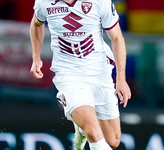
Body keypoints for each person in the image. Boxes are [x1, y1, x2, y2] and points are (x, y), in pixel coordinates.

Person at [30, 0, 131, 149]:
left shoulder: (100, 2)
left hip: (99, 72)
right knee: (93, 132)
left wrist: (121, 79)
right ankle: (78, 115)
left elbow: (116, 37)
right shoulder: (44, 2)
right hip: (68, 73)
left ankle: (80, 126)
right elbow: (36, 24)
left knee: (113, 140)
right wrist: (36, 58)